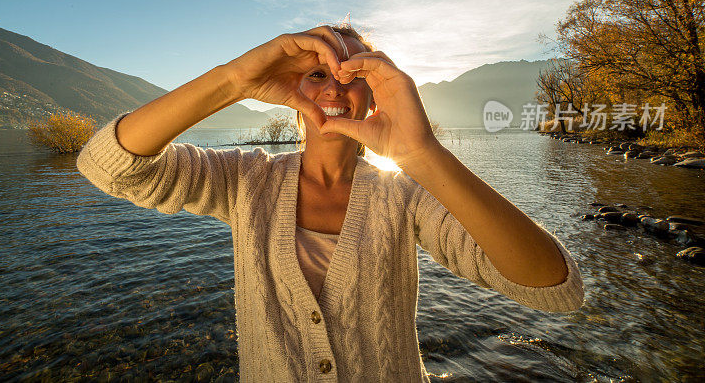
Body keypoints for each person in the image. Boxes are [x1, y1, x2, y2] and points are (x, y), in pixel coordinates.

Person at [76, 20, 584, 382]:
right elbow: (107, 164)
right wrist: (235, 80)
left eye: (354, 75)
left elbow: (553, 287)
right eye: (318, 72)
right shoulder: (246, 179)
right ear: (289, 86)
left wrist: (422, 153)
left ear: (375, 94)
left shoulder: (404, 196)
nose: (335, 86)